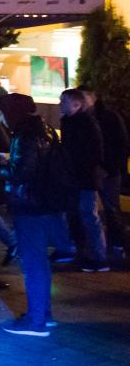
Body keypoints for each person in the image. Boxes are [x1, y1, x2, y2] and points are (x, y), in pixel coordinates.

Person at [0, 94, 71, 336]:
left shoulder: (24, 135)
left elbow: (21, 173)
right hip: (47, 203)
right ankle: (43, 314)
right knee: (40, 263)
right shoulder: (45, 130)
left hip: (30, 205)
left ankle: (35, 321)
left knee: (33, 262)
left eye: (3, 112)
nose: (1, 117)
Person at [57, 88, 109, 272]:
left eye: (64, 101)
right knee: (80, 214)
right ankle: (87, 253)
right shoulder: (71, 121)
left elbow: (92, 152)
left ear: (77, 104)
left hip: (85, 177)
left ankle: (99, 257)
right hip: (77, 176)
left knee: (88, 214)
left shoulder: (84, 123)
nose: (59, 104)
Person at [81, 87, 127, 261]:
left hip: (109, 171)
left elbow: (121, 144)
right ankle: (101, 245)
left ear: (93, 98)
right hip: (92, 172)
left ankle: (118, 244)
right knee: (92, 210)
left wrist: (110, 167)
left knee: (111, 208)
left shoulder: (109, 117)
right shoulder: (83, 119)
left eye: (84, 98)